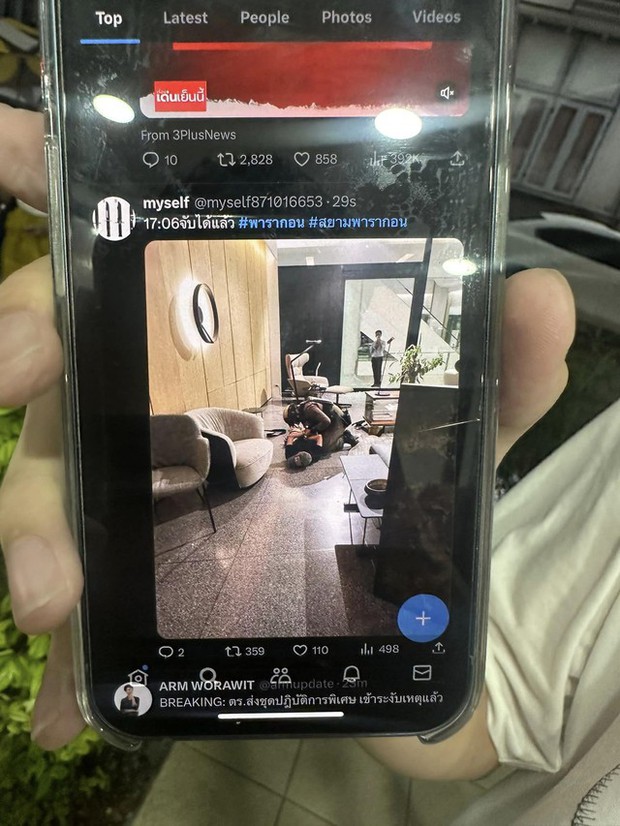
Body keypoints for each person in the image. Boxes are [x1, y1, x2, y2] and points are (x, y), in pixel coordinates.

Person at [3, 101, 615, 825]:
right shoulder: (312, 419)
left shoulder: (322, 422)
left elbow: (501, 702)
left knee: (323, 440)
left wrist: (310, 431)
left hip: (322, 447)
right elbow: (511, 695)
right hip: (318, 449)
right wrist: (305, 429)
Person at [283, 398, 358, 453]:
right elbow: (308, 428)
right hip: (328, 420)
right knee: (316, 441)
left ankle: (345, 437)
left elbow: (326, 421)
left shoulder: (309, 409)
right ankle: (336, 435)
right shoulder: (302, 412)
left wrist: (312, 430)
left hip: (337, 420)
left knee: (324, 448)